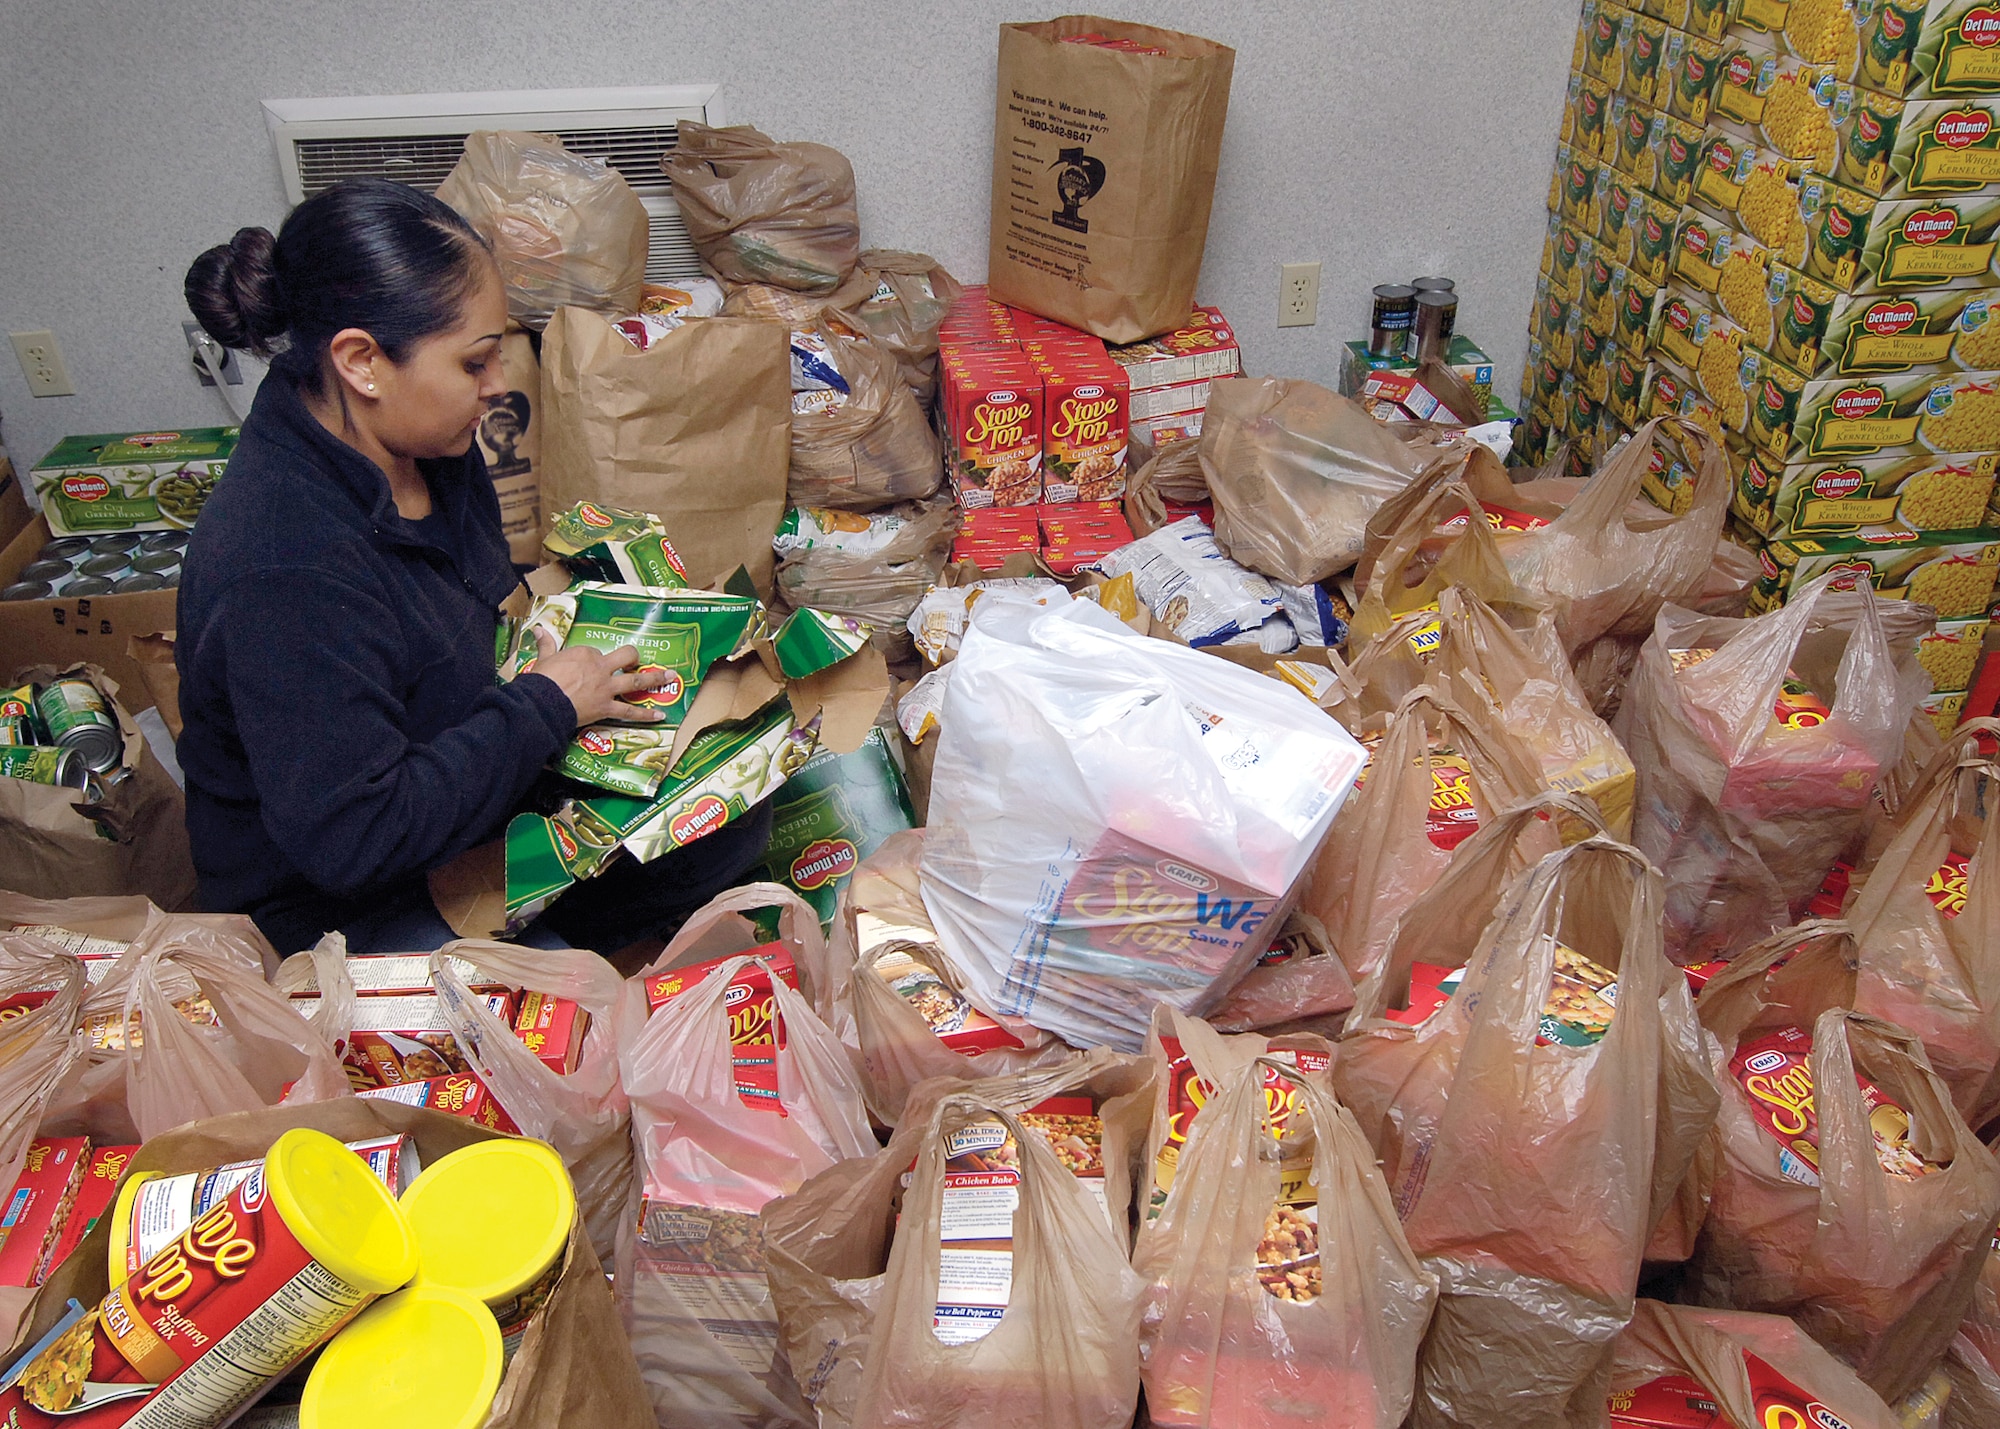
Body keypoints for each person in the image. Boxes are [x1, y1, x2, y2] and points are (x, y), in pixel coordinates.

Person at [178, 178, 771, 956]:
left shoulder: (422, 441)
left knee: (731, 811)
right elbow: (356, 838)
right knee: (559, 1028)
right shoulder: (285, 566)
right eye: (474, 362)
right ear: (362, 361)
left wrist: (564, 662)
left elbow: (477, 608)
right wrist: (545, 708)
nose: (496, 388)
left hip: (455, 777)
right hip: (341, 897)